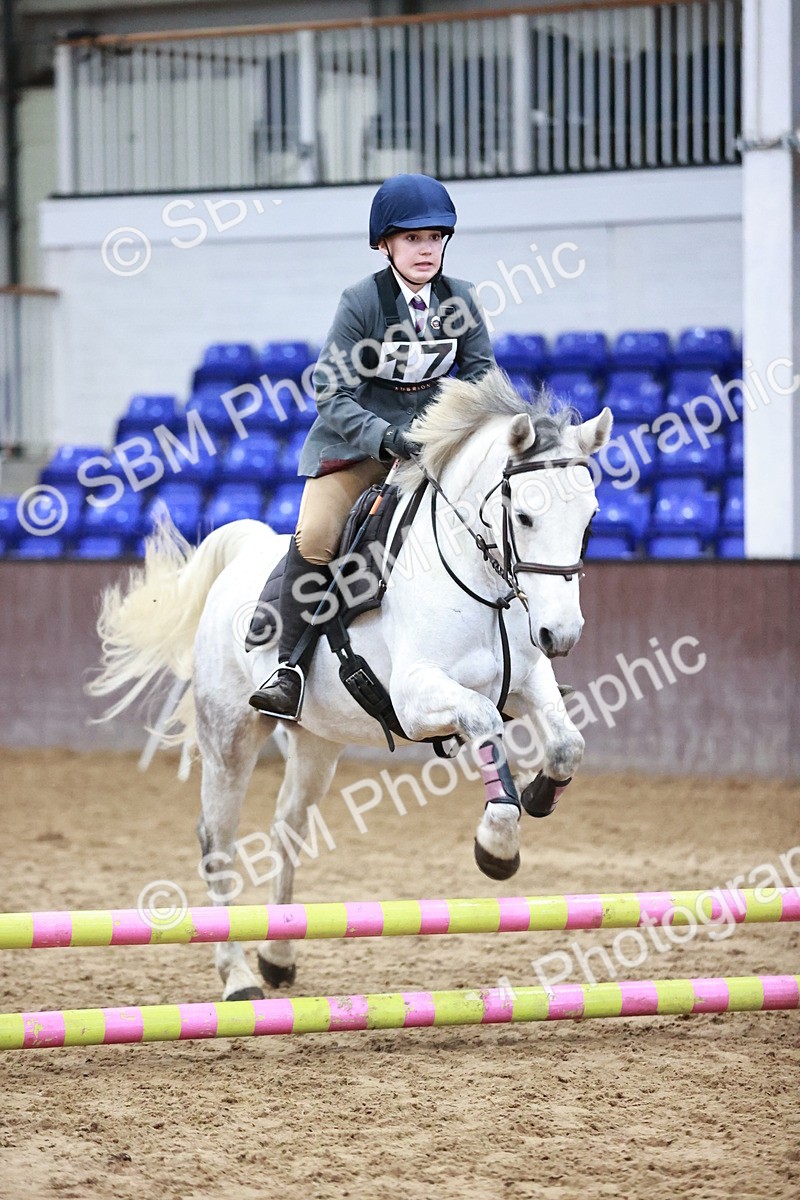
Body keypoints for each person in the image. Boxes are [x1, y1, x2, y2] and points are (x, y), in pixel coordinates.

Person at [249, 173, 495, 721]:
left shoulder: (462, 300)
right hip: (358, 444)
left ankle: (513, 660)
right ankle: (287, 667)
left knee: (492, 520)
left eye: (434, 237)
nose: (426, 249)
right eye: (412, 239)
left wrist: (456, 432)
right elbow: (329, 390)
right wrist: (384, 438)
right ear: (385, 244)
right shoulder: (362, 301)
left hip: (433, 447)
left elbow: (480, 374)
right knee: (316, 535)